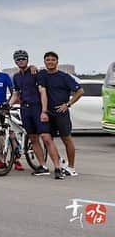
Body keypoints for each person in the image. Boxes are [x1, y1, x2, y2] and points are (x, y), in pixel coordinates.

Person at [37, 51, 84, 179]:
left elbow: (80, 91)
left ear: (57, 62)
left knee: (66, 139)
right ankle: (60, 163)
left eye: (53, 60)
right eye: (47, 60)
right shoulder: (42, 75)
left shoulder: (64, 77)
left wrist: (68, 104)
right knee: (46, 138)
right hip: (47, 113)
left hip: (61, 113)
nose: (50, 62)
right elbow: (33, 71)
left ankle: (71, 167)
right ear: (44, 62)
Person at [8, 49, 50, 176]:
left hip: (36, 107)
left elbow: (43, 92)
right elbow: (16, 93)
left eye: (23, 59)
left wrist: (44, 110)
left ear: (27, 59)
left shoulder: (34, 72)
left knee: (46, 137)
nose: (21, 61)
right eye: (18, 59)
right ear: (15, 61)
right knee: (33, 138)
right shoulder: (16, 77)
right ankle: (42, 165)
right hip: (25, 109)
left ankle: (58, 163)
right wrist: (8, 105)